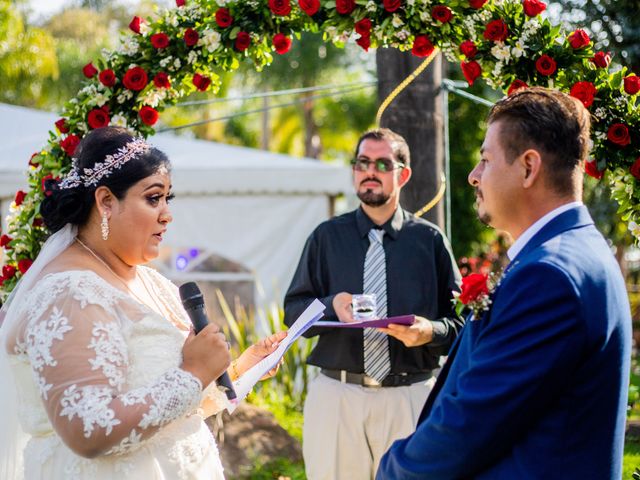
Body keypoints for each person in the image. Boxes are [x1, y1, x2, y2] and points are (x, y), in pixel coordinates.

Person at [0, 126, 286, 479]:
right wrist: (194, 372)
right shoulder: (68, 293)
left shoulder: (149, 281)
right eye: (153, 198)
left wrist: (239, 369)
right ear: (105, 201)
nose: (166, 214)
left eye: (168, 199)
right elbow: (87, 429)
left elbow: (172, 407)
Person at [378, 87, 632, 479]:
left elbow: (472, 426)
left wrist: (392, 469)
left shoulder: (550, 276)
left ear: (528, 167)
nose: (473, 176)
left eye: (485, 159)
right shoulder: (570, 254)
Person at [284, 128, 463, 479]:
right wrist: (331, 303)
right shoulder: (325, 237)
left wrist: (430, 331)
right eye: (362, 162)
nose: (369, 171)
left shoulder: (430, 241)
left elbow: (462, 324)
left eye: (382, 163)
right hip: (338, 398)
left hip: (409, 398)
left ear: (403, 174)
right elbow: (294, 314)